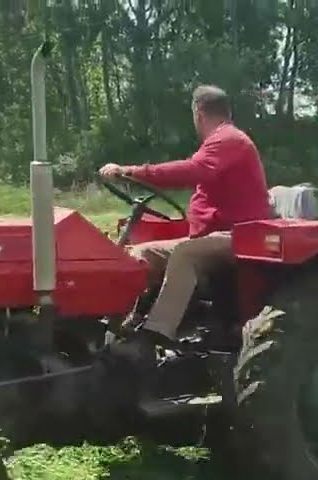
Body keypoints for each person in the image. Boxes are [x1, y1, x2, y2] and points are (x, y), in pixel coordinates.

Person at [99, 84, 271, 366]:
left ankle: (156, 334)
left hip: (241, 236)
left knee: (185, 254)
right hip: (210, 235)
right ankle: (120, 327)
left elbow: (193, 170)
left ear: (199, 113)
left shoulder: (230, 139)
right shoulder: (218, 144)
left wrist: (129, 171)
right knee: (142, 254)